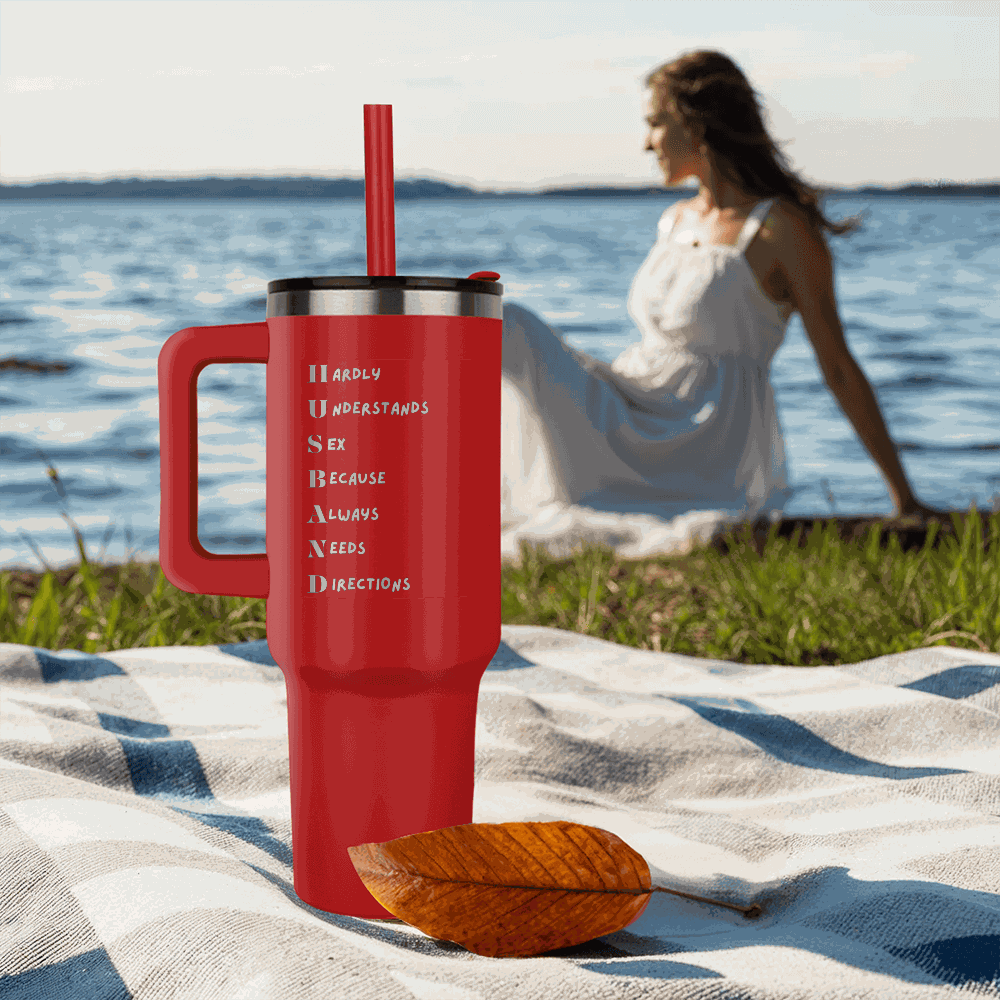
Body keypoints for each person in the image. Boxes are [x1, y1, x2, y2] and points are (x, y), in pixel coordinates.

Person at [500, 49, 942, 565]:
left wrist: (903, 498)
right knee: (500, 323)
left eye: (656, 124)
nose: (646, 143)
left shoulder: (781, 230)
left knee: (508, 324)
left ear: (697, 124)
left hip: (704, 440)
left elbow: (838, 365)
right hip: (630, 406)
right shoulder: (674, 221)